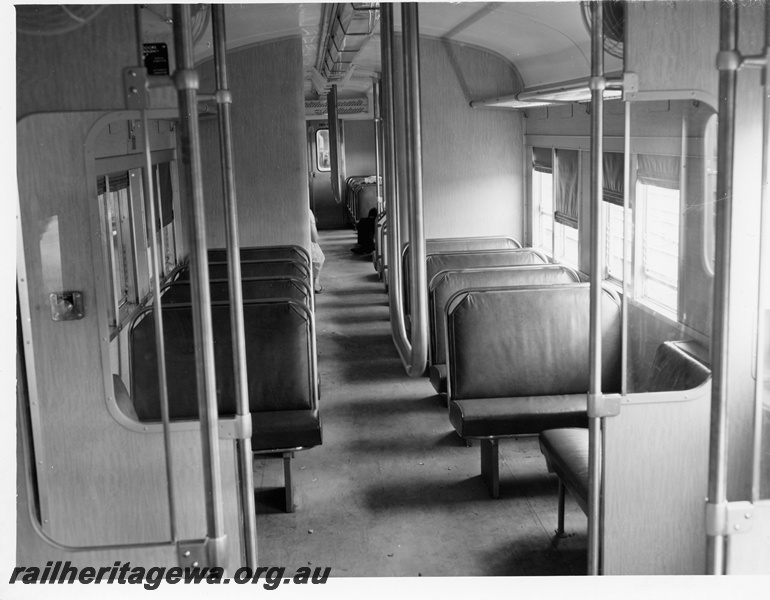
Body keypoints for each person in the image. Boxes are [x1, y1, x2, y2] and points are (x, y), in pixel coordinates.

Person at [310, 209, 325, 293]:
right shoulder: (307, 212)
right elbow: (314, 238)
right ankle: (315, 283)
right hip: (303, 245)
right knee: (319, 257)